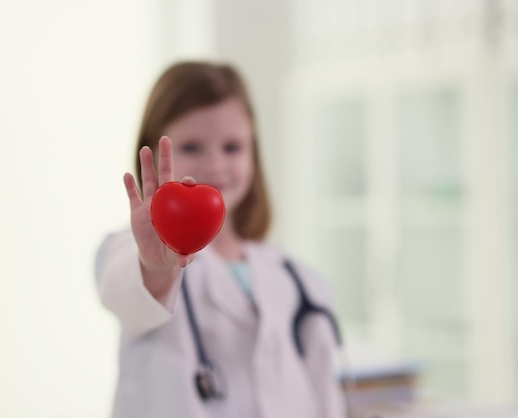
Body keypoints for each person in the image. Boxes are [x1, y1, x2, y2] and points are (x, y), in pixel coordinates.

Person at [94, 61, 347, 418]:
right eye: (192, 147)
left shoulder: (295, 277)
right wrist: (155, 265)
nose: (214, 165)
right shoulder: (131, 254)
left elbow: (324, 394)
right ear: (152, 155)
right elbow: (126, 290)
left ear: (254, 156)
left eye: (232, 147)